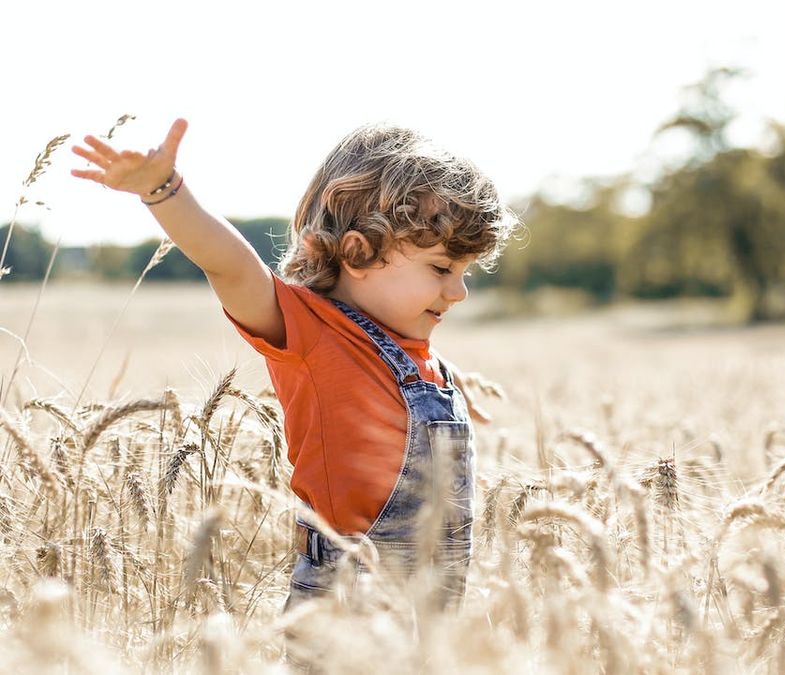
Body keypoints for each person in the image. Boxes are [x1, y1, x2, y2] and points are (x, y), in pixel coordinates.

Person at [70, 119, 519, 610]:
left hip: (433, 606)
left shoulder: (418, 356)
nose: (459, 292)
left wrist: (449, 392)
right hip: (347, 602)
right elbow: (231, 265)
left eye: (464, 272)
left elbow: (395, 387)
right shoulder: (312, 333)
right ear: (357, 252)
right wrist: (163, 190)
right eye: (441, 269)